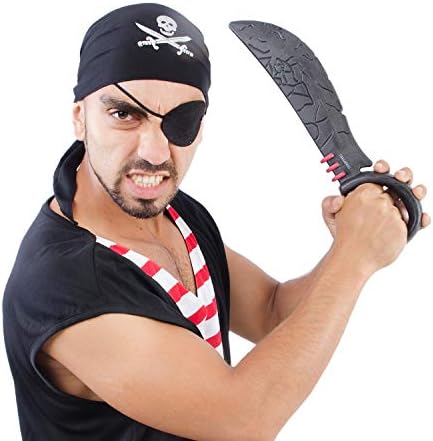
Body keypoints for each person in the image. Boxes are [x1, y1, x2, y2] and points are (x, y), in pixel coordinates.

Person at [2, 3, 430, 441]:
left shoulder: (174, 213)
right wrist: (354, 258)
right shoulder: (65, 282)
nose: (154, 152)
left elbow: (271, 313)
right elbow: (242, 420)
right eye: (125, 115)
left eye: (181, 121)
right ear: (80, 117)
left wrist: (352, 243)